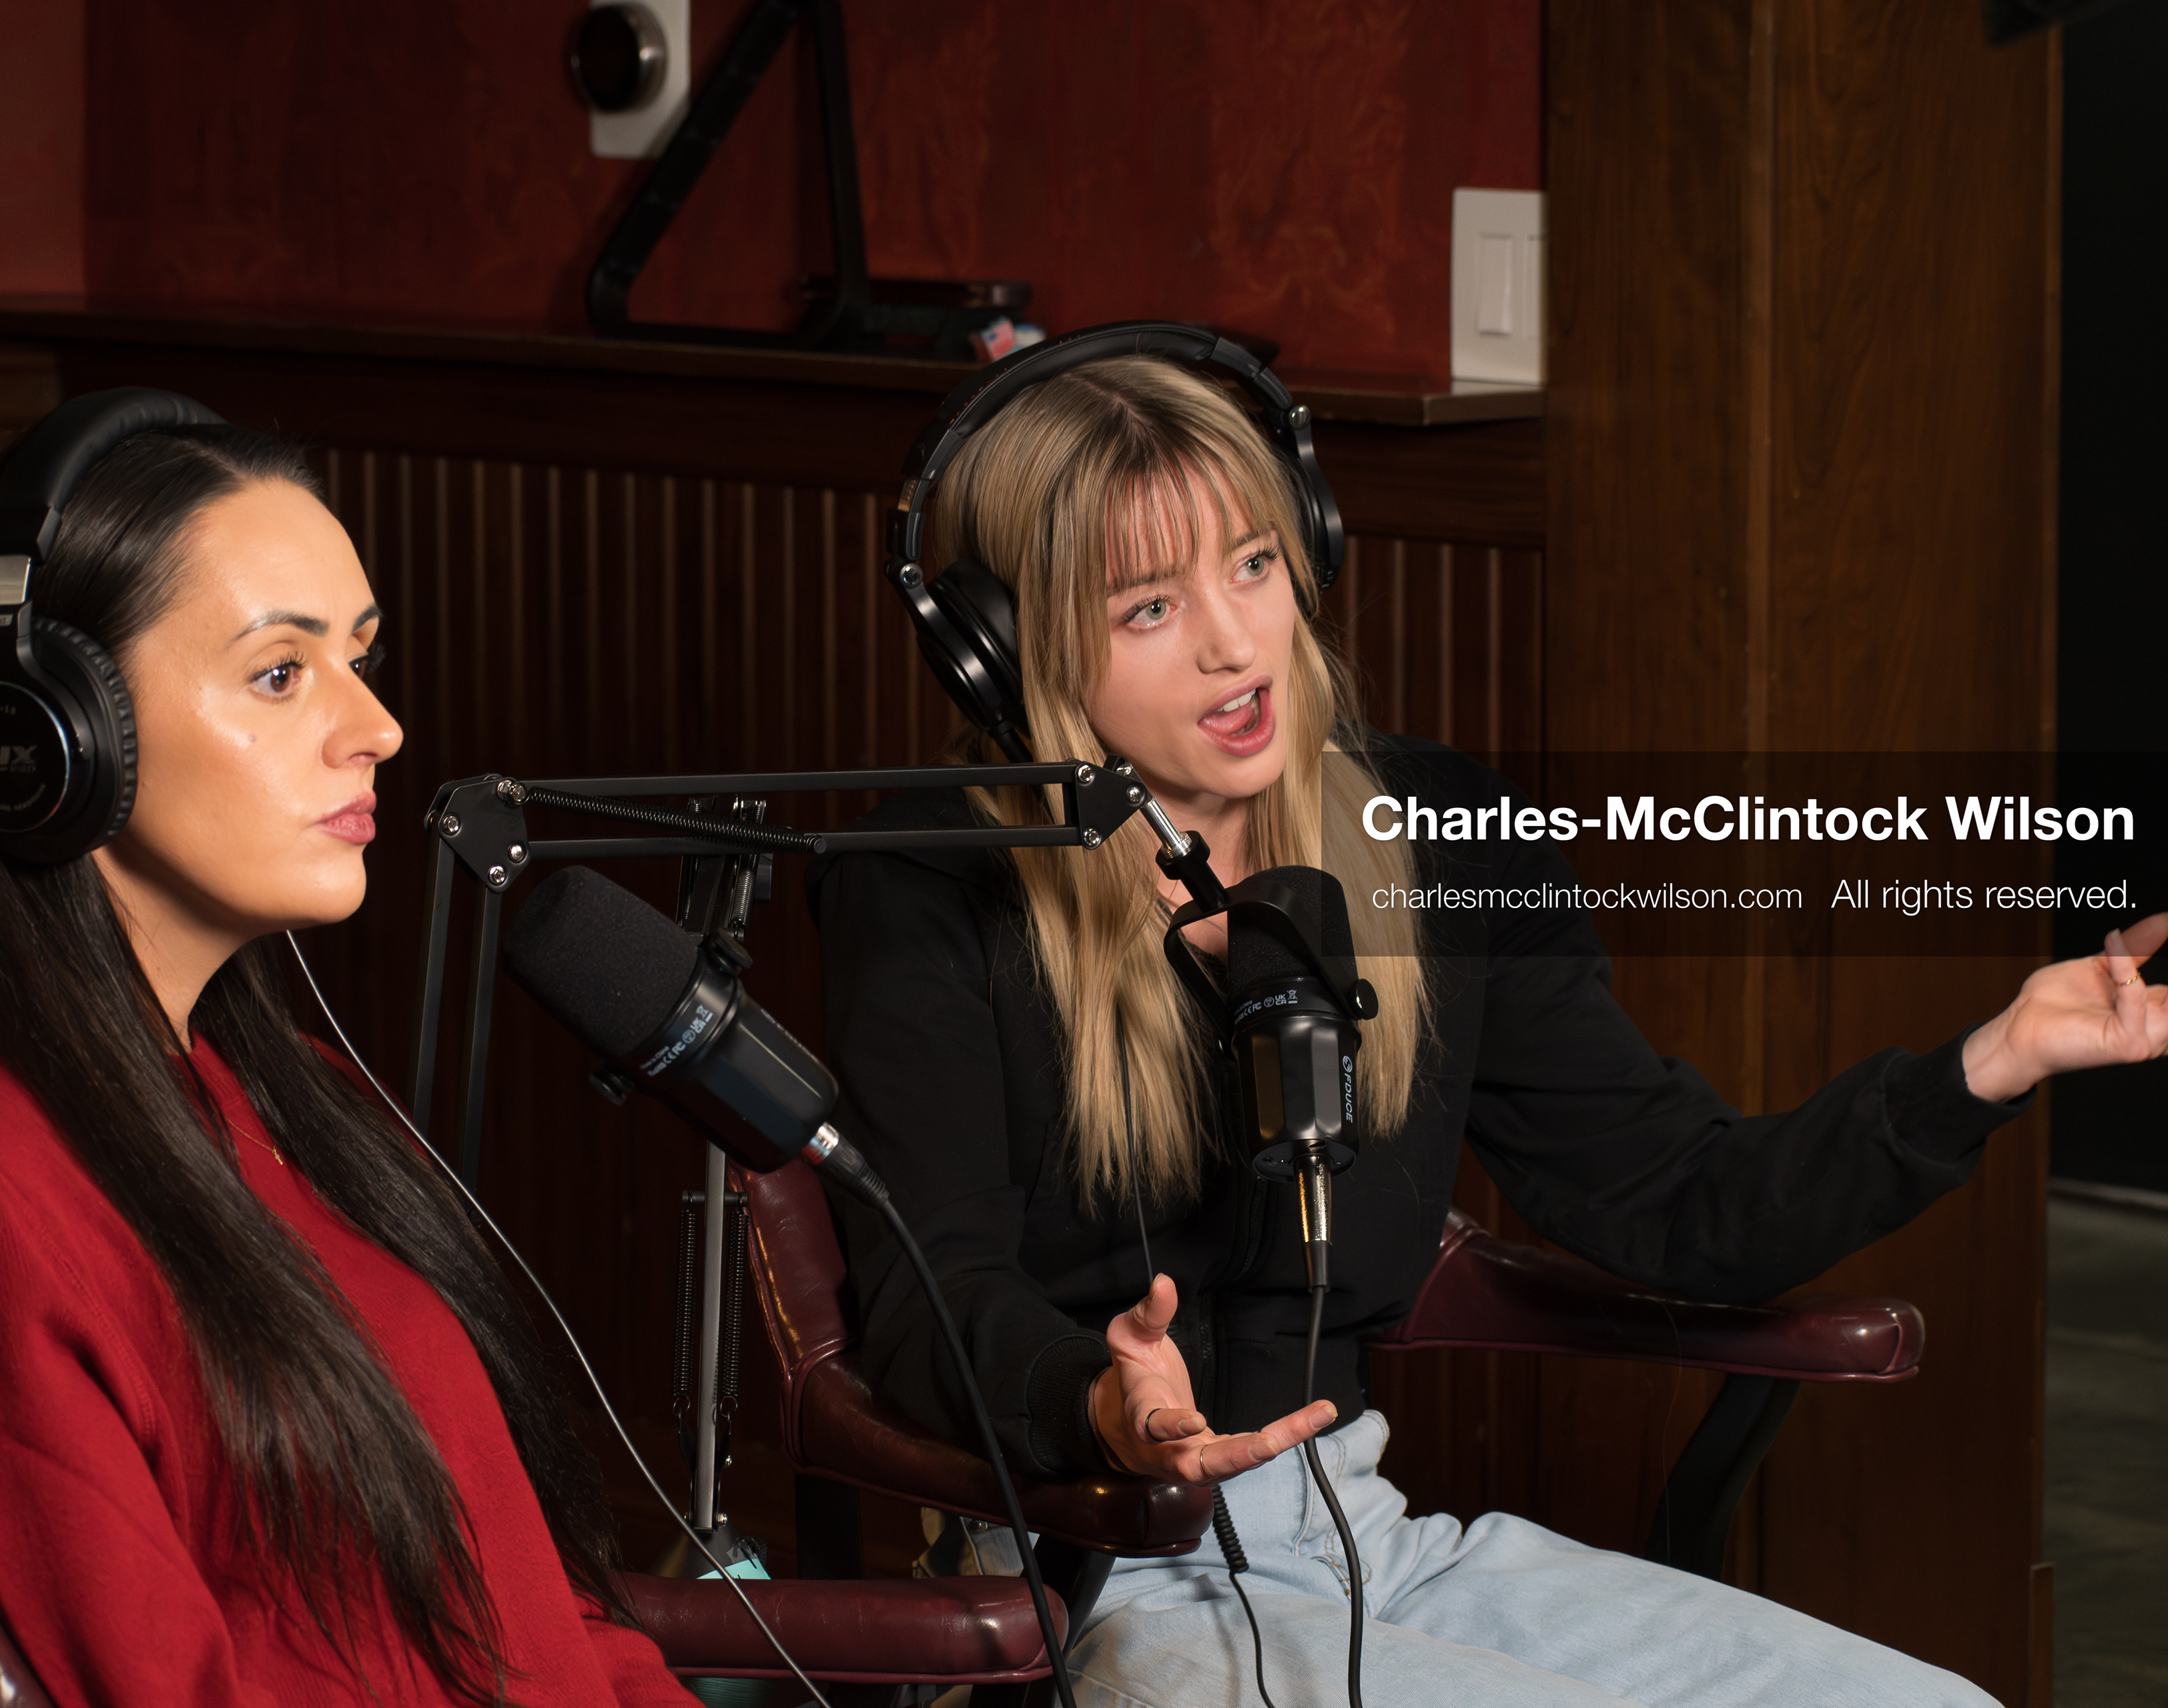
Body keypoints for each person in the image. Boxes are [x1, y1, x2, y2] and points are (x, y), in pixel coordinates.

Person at [809, 354, 2168, 1708]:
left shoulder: (1434, 835)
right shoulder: (934, 886)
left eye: (1256, 564)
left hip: (1361, 1536)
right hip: (1094, 1573)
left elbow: (1681, 1200)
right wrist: (1103, 1405)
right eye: (1150, 605)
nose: (1233, 640)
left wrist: (1993, 1060)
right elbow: (938, 1303)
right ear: (1009, 647)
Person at [0, 417, 697, 1708]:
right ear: (52, 738)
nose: (376, 726)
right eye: (279, 674)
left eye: (361, 657)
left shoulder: (289, 1095)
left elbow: (531, 1623)